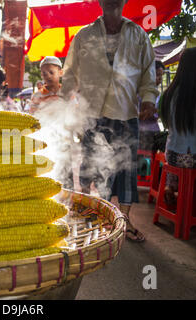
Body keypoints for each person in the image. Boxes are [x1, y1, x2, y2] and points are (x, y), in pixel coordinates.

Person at [60, 0, 160, 242]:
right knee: (88, 170)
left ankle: (123, 222)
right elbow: (70, 73)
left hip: (126, 112)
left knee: (126, 171)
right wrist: (65, 107)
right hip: (92, 113)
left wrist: (148, 99)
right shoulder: (85, 35)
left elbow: (148, 73)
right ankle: (89, 217)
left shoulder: (138, 35)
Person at [159, 47, 196, 206]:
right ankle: (192, 200)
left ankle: (173, 189)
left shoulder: (169, 93)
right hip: (194, 158)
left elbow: (165, 123)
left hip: (172, 155)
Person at [29, 56, 75, 190]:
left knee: (66, 175)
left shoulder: (68, 94)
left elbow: (75, 114)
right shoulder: (37, 96)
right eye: (44, 73)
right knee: (48, 172)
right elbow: (33, 119)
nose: (47, 76)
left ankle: (67, 199)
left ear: (60, 73)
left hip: (65, 139)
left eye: (51, 72)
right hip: (47, 140)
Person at [139, 60, 165, 151]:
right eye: (157, 75)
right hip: (141, 134)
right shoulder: (139, 93)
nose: (160, 79)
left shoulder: (157, 93)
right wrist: (144, 113)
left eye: (161, 76)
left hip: (154, 132)